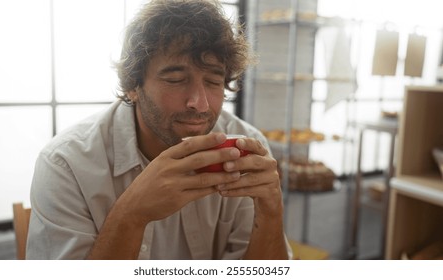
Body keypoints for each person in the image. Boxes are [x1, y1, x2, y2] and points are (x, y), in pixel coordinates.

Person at [26, 0, 290, 260]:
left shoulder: (244, 150)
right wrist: (131, 216)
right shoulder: (67, 163)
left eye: (213, 81)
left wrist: (271, 213)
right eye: (175, 80)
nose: (199, 103)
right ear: (133, 86)